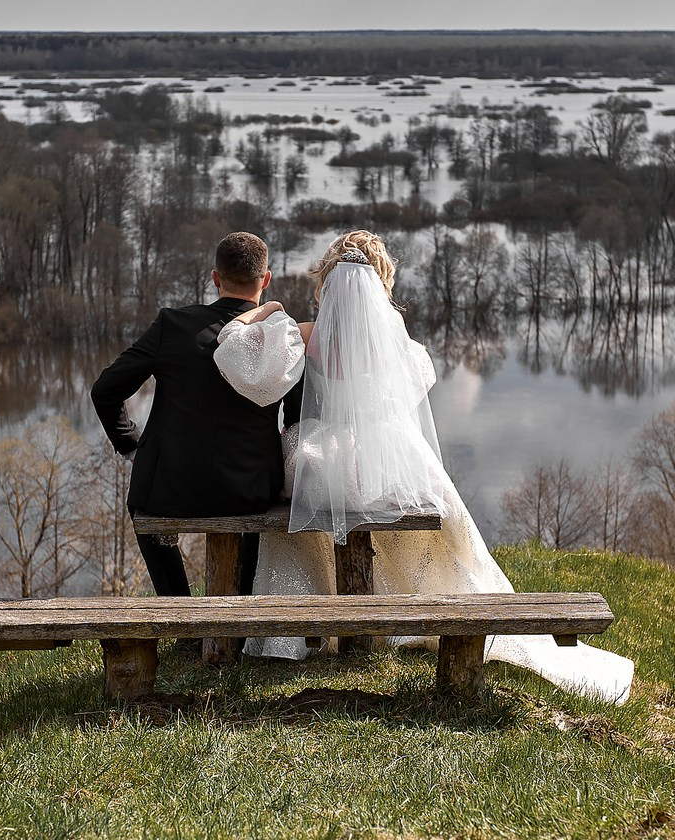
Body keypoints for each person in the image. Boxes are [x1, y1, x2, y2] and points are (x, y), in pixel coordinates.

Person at [212, 230, 633, 704]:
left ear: (327, 281)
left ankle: (293, 630)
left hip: (317, 462)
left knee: (295, 492)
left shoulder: (302, 336)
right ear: (379, 281)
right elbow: (416, 386)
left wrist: (261, 311)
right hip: (378, 464)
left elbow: (238, 357)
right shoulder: (395, 343)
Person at [91, 231, 303, 598]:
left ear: (215, 278)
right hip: (253, 487)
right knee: (252, 514)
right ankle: (239, 602)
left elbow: (105, 390)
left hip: (172, 487)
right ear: (265, 280)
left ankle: (177, 605)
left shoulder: (172, 325)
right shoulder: (281, 337)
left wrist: (132, 446)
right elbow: (296, 419)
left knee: (140, 500)